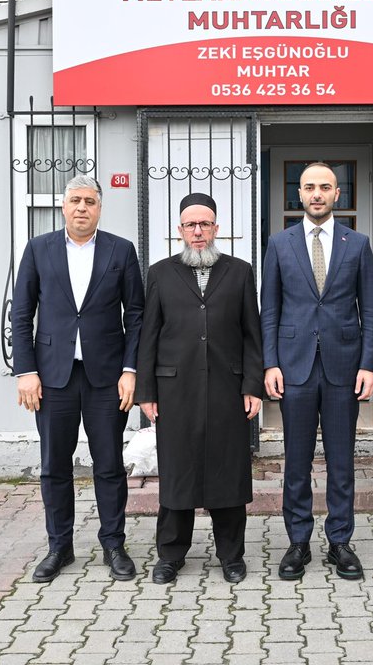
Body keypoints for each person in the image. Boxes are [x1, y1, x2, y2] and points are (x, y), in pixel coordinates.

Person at [11, 174, 144, 583]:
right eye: (75, 201)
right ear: (63, 207)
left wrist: (130, 369)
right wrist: (26, 371)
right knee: (54, 465)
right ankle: (59, 547)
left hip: (106, 377)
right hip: (53, 377)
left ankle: (113, 544)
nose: (82, 207)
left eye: (90, 201)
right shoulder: (39, 249)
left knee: (108, 464)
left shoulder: (121, 251)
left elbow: (136, 315)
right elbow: (20, 314)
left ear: (100, 208)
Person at [136, 193, 264, 584]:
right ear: (179, 230)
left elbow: (251, 335)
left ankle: (231, 556)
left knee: (228, 471)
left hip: (228, 389)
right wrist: (146, 392)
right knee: (178, 472)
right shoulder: (159, 273)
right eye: (190, 225)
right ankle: (170, 555)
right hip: (175, 390)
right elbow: (149, 336)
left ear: (216, 229)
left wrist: (253, 385)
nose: (197, 232)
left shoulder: (240, 272)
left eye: (204, 224)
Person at [261, 162, 373, 580]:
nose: (316, 194)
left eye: (324, 187)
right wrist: (270, 362)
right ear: (299, 194)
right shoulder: (279, 243)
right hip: (293, 367)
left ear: (337, 195)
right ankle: (297, 542)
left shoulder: (357, 243)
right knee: (295, 460)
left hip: (343, 367)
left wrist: (369, 365)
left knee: (341, 459)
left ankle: (340, 542)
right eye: (309, 187)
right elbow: (270, 309)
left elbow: (370, 308)